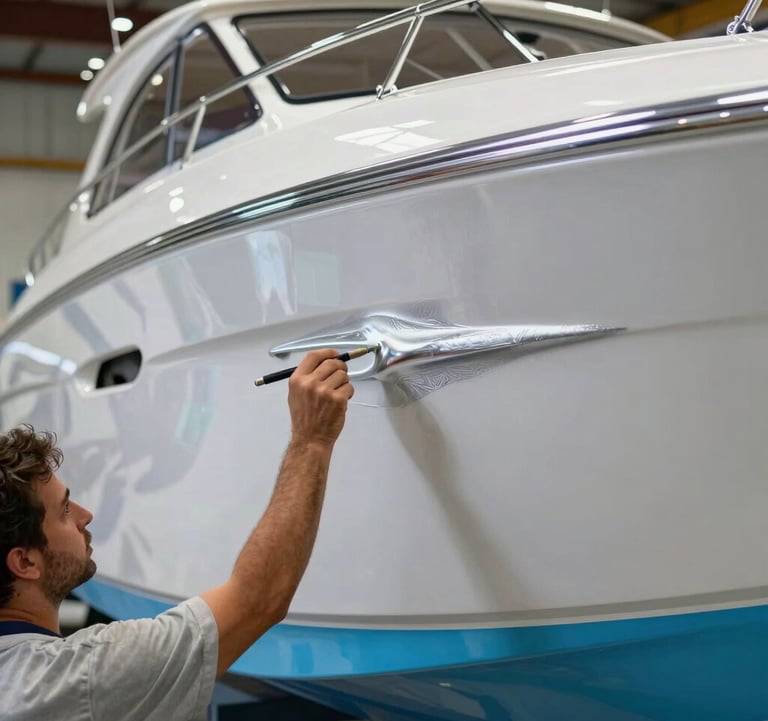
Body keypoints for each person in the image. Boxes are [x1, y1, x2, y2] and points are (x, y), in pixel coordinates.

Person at [0, 349, 354, 721]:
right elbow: (258, 599)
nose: (85, 516)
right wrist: (311, 440)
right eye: (64, 511)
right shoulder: (78, 679)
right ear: (24, 561)